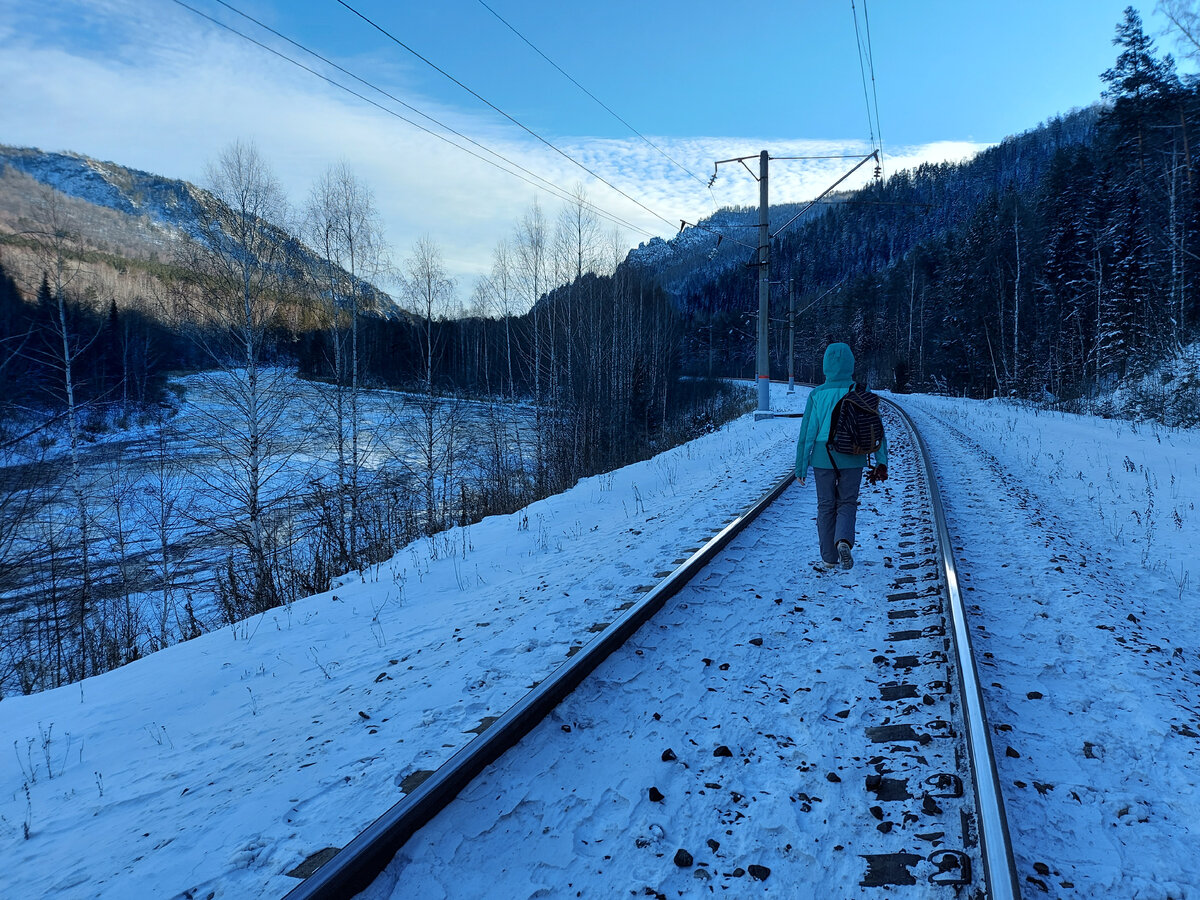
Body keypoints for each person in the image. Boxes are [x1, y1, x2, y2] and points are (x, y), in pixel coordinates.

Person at [794, 342, 888, 570]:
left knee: (825, 505)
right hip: (852, 454)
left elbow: (807, 433)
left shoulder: (817, 394)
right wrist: (881, 461)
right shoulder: (861, 392)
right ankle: (843, 540)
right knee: (847, 502)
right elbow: (876, 430)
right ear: (851, 364)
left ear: (825, 365)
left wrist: (801, 466)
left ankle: (828, 558)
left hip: (822, 457)